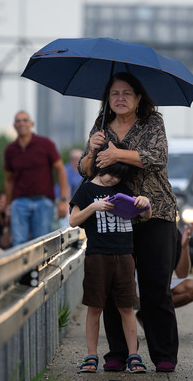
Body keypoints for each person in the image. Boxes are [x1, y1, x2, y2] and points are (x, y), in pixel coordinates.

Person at [78, 72, 180, 373]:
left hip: (155, 212)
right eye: (114, 93)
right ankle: (118, 353)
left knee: (155, 286)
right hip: (113, 216)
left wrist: (116, 153)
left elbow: (157, 157)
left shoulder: (153, 122)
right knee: (114, 289)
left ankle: (164, 353)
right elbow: (86, 169)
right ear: (107, 99)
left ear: (138, 98)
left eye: (126, 93)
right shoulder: (100, 128)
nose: (120, 98)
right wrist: (94, 150)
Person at [69, 154, 152, 374]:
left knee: (126, 307)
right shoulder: (86, 190)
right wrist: (93, 207)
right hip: (97, 255)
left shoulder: (123, 188)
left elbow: (145, 216)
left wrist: (145, 204)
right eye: (111, 174)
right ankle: (91, 355)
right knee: (95, 306)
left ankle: (133, 355)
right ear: (99, 168)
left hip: (125, 255)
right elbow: (73, 220)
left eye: (118, 176)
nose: (114, 180)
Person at [4, 111, 70, 246]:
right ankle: (22, 268)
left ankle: (38, 268)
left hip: (43, 202)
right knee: (18, 243)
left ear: (31, 124)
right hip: (19, 202)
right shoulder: (11, 150)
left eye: (24, 120)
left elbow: (61, 171)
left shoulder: (45, 144)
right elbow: (9, 180)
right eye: (18, 121)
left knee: (41, 244)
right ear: (14, 126)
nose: (21, 123)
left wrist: (63, 199)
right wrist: (8, 205)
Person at [171, 223, 193, 308]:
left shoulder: (172, 231)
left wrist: (185, 247)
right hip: (136, 281)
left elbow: (182, 274)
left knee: (192, 287)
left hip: (159, 283)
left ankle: (148, 313)